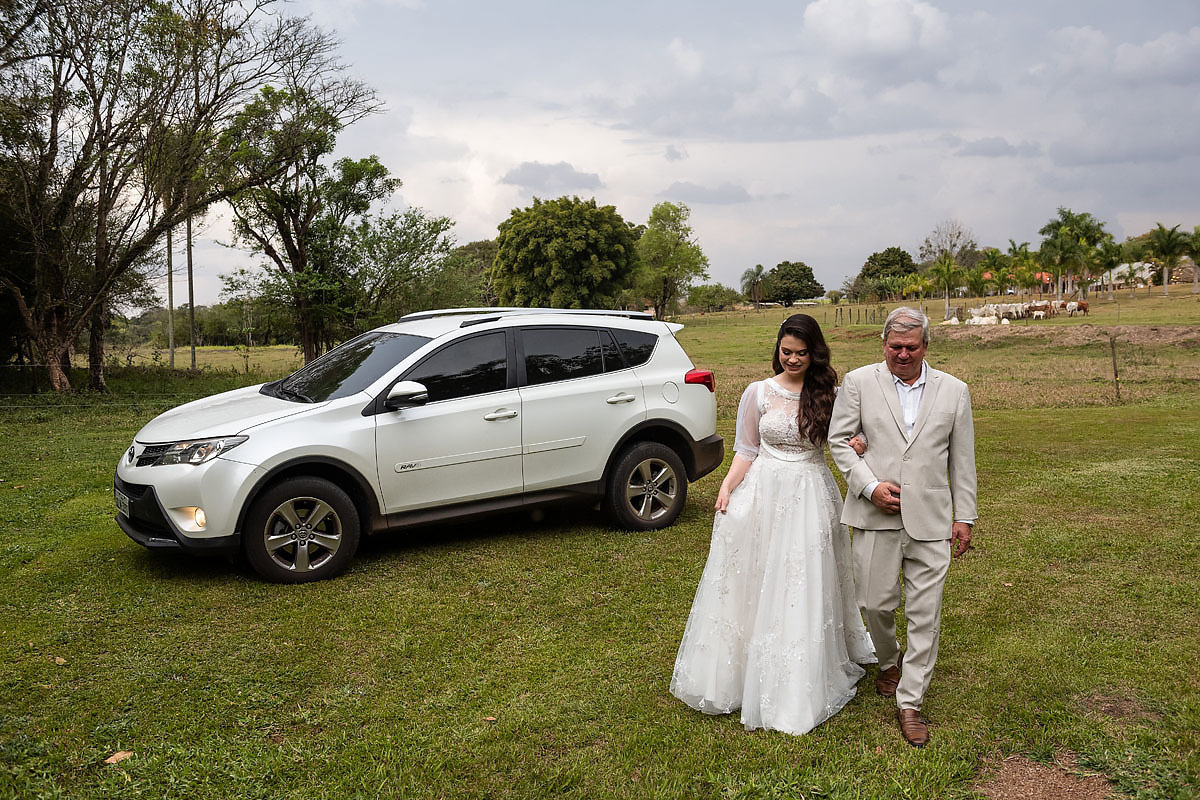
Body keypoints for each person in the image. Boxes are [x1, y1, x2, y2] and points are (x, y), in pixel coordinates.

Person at [670, 314, 875, 735]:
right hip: (763, 489)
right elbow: (746, 448)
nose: (794, 359)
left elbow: (851, 439)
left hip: (809, 491)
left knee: (801, 578)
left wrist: (859, 442)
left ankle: (799, 673)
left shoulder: (831, 394)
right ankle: (743, 669)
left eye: (802, 353)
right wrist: (727, 487)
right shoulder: (758, 392)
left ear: (814, 353)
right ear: (777, 348)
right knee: (756, 576)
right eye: (787, 351)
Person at [828, 306, 977, 748]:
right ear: (884, 344)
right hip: (876, 516)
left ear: (927, 346)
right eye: (895, 347)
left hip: (931, 520)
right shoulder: (858, 382)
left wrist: (964, 516)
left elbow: (962, 460)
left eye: (912, 347)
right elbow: (839, 441)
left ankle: (910, 702)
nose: (903, 354)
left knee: (925, 615)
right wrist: (869, 486)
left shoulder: (955, 391)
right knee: (873, 603)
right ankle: (888, 659)